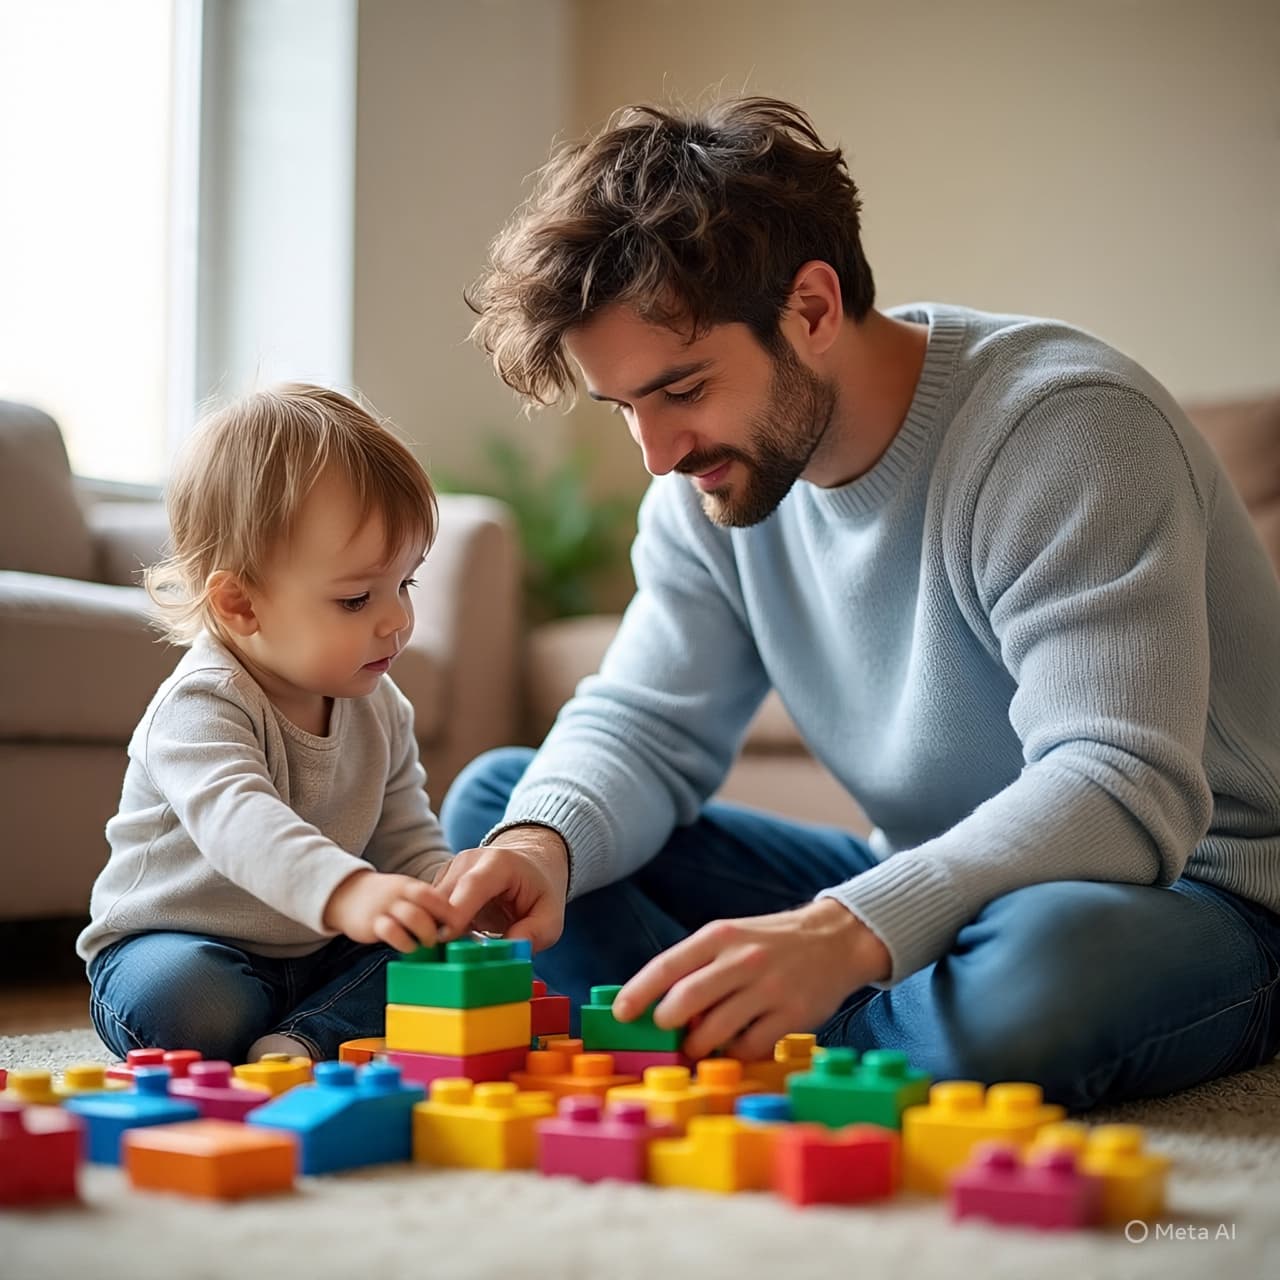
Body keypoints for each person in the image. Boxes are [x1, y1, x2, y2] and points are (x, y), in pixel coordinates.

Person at [438, 96, 1280, 1110]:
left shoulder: (1065, 431)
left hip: (1196, 885)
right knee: (508, 810)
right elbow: (642, 727)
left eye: (684, 388)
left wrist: (845, 934)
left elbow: (1117, 784)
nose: (657, 455)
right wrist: (544, 843)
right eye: (625, 408)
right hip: (936, 884)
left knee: (1037, 973)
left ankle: (737, 1036)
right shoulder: (701, 488)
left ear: (812, 308)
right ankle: (843, 1036)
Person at [78, 384, 467, 1063]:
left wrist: (451, 900)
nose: (398, 620)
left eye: (405, 584)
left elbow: (407, 839)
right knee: (187, 1002)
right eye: (355, 598)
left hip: (318, 950)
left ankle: (301, 1038)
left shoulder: (379, 705)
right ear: (240, 605)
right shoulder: (200, 705)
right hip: (178, 944)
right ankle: (312, 1024)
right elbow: (242, 823)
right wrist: (347, 890)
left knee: (446, 961)